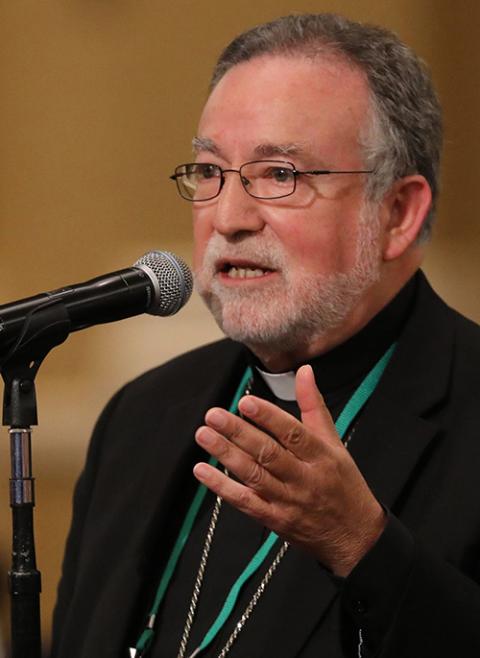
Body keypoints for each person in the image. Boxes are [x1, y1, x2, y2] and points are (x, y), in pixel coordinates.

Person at [51, 13, 480, 658]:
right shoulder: (140, 419)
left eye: (281, 175)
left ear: (397, 213)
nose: (228, 217)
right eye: (209, 172)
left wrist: (361, 545)